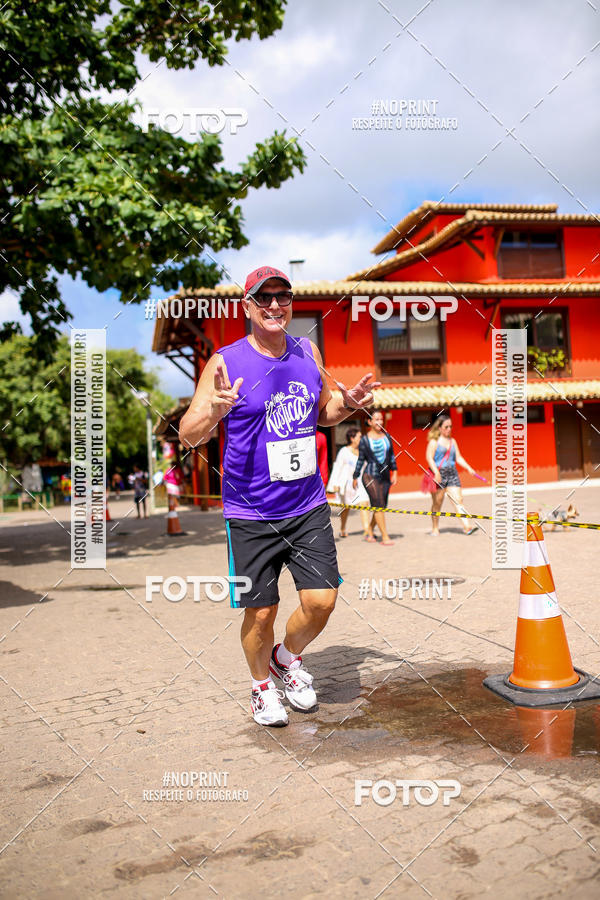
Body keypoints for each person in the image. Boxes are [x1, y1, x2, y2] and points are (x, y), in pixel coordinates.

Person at [180, 265, 379, 728]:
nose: (274, 305)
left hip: (307, 505)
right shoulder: (225, 362)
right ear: (247, 306)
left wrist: (349, 403)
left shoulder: (308, 351)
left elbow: (325, 412)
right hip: (250, 512)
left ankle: (285, 659)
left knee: (322, 601)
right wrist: (213, 411)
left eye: (283, 297)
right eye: (264, 298)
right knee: (261, 611)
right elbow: (188, 434)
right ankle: (260, 687)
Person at [425, 414, 477, 536]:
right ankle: (435, 527)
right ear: (439, 428)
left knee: (458, 500)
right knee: (437, 503)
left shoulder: (453, 441)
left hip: (452, 473)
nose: (449, 429)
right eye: (446, 427)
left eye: (450, 426)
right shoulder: (434, 442)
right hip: (439, 474)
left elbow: (458, 457)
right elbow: (429, 458)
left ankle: (467, 527)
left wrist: (468, 467)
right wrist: (436, 472)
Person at [352, 410, 397, 545]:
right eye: (376, 419)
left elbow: (392, 456)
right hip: (370, 475)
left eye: (381, 419)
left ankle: (370, 530)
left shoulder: (387, 437)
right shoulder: (364, 440)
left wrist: (395, 471)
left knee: (382, 506)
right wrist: (355, 476)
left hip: (385, 475)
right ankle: (385, 536)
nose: (379, 422)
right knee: (378, 504)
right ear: (370, 422)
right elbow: (360, 460)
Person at [327, 427, 372, 538]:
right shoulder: (344, 451)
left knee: (364, 503)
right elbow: (337, 467)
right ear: (352, 438)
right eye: (359, 437)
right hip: (347, 485)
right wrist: (334, 484)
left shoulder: (363, 451)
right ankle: (343, 528)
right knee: (346, 508)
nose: (361, 439)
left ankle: (367, 530)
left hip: (360, 484)